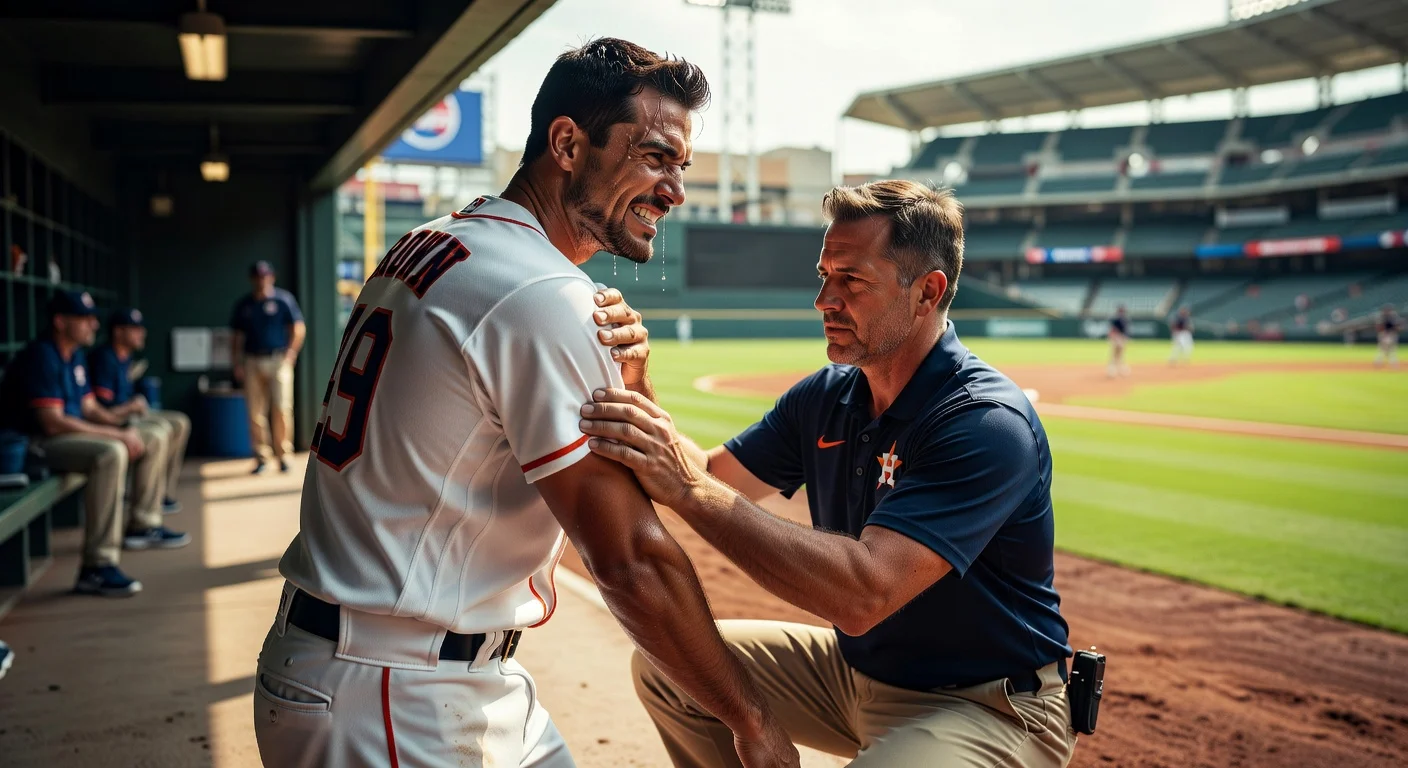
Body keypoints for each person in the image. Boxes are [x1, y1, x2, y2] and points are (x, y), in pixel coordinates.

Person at [252, 38, 797, 768]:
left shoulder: (432, 241)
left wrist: (628, 383)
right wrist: (750, 717)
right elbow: (630, 557)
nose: (675, 190)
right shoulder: (542, 295)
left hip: (416, 669)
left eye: (682, 166)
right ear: (568, 143)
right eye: (655, 157)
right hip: (396, 692)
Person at [578, 180, 1076, 767]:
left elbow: (864, 593)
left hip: (986, 704)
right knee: (672, 670)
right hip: (854, 674)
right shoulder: (831, 394)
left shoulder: (984, 421)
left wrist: (692, 490)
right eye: (825, 275)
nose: (824, 300)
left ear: (927, 291)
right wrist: (636, 384)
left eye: (852, 281)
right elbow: (712, 474)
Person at [0, 292, 187, 598]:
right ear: (60, 322)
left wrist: (120, 426)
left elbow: (89, 407)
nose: (93, 324)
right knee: (110, 453)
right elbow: (52, 422)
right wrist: (115, 436)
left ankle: (141, 524)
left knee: (139, 437)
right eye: (84, 318)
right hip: (31, 445)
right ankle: (96, 567)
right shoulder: (42, 354)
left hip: (62, 437)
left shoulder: (73, 355)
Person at [90, 308, 191, 514]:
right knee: (158, 432)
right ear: (118, 332)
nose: (141, 333)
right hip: (114, 420)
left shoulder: (125, 356)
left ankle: (159, 493)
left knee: (179, 422)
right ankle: (144, 515)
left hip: (128, 415)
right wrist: (130, 407)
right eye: (134, 329)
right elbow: (100, 412)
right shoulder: (104, 358)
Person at [230, 260, 306, 475]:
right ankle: (262, 456)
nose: (261, 280)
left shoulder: (283, 299)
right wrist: (236, 363)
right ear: (252, 279)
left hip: (278, 359)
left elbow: (298, 328)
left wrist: (291, 353)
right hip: (252, 360)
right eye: (257, 276)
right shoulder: (244, 304)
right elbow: (236, 336)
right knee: (255, 411)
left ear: (272, 277)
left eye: (265, 276)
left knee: (282, 408)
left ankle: (284, 455)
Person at [1108, 304, 1130, 377]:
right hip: (1117, 338)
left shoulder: (1124, 319)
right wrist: (1114, 338)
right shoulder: (1117, 319)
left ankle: (1119, 371)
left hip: (1121, 338)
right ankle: (1114, 371)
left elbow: (1124, 331)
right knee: (1116, 355)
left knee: (1119, 356)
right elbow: (1113, 330)